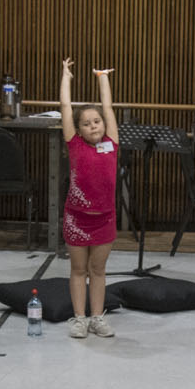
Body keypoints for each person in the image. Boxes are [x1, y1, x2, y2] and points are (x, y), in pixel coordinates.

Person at [60, 59, 123, 337]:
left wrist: (102, 78)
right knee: (78, 269)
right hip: (76, 218)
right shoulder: (74, 145)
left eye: (96, 121)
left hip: (105, 218)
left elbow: (107, 108)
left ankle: (97, 317)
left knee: (97, 270)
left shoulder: (111, 143)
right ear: (79, 129)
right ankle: (79, 318)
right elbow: (65, 108)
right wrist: (66, 77)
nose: (93, 126)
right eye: (86, 124)